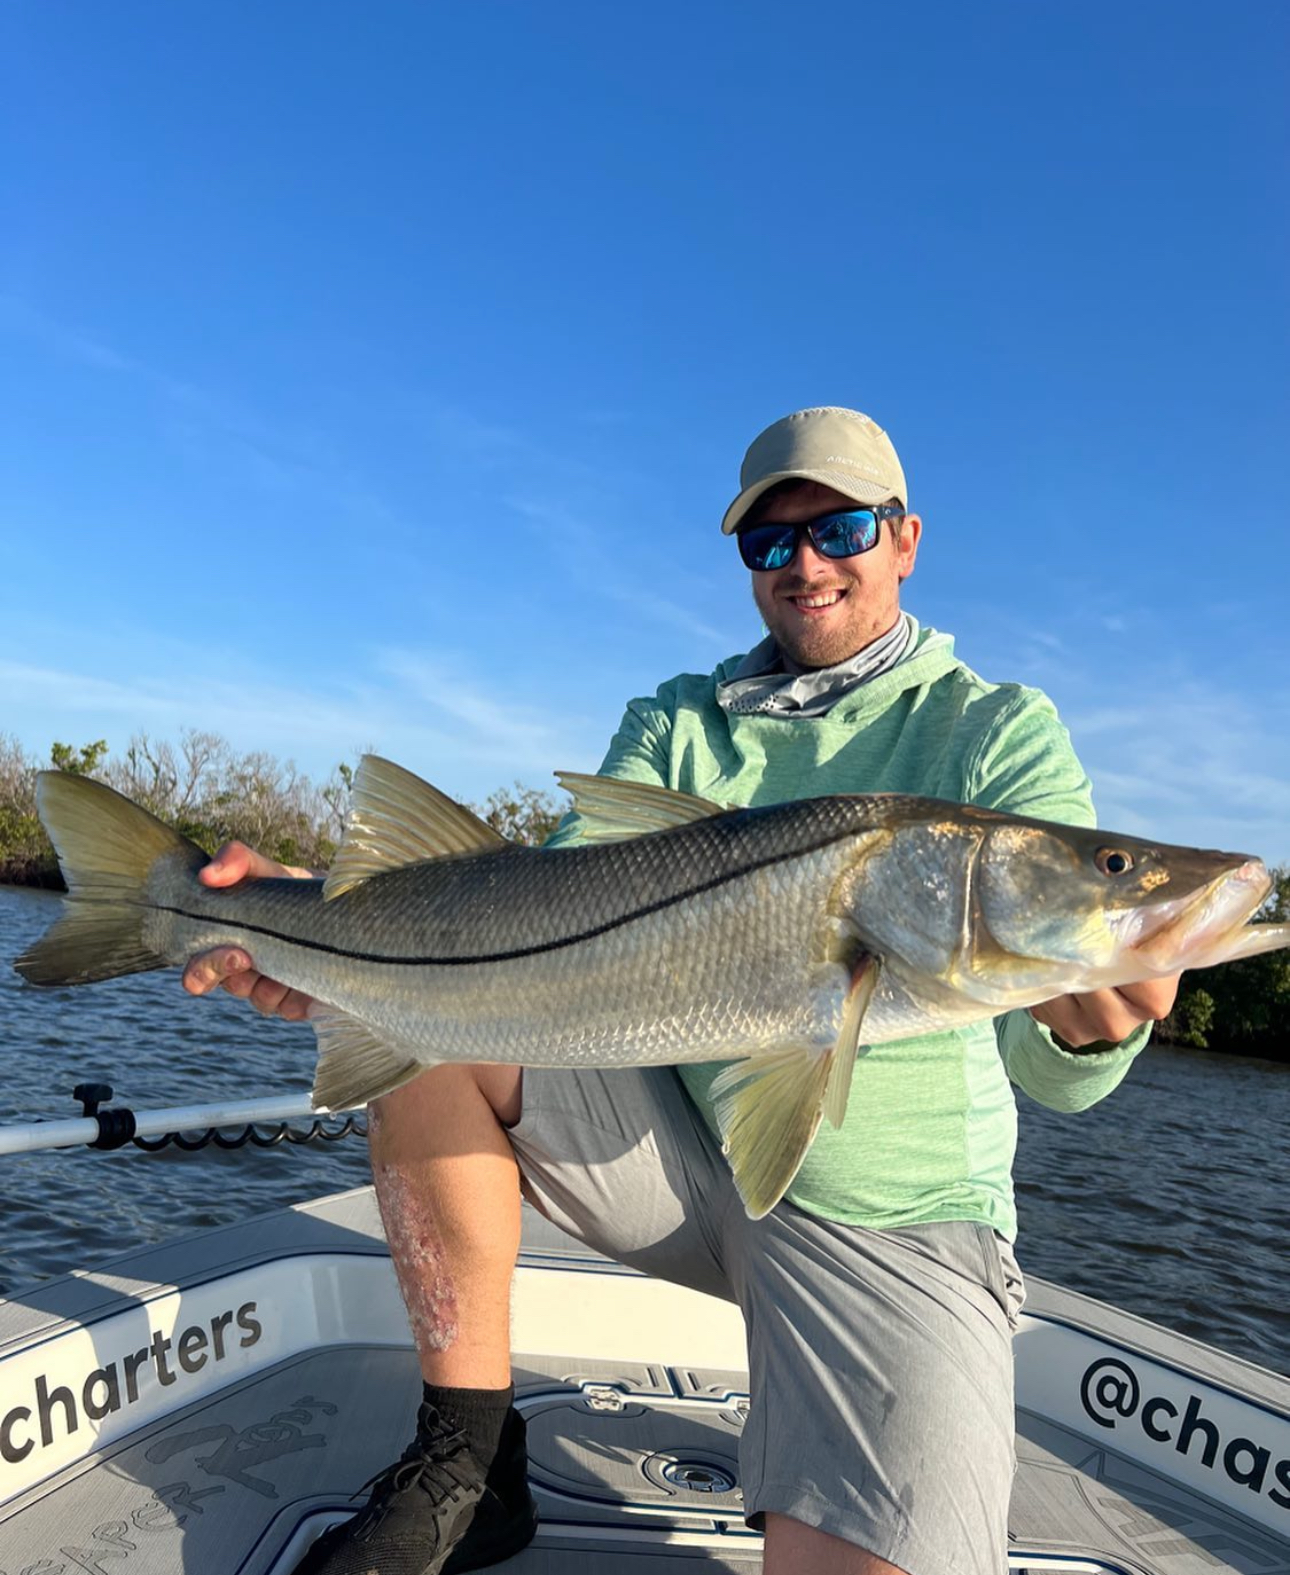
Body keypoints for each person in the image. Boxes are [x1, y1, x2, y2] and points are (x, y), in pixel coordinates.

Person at [184, 406, 1180, 1575]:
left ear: (905, 540)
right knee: (433, 1018)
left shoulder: (993, 734)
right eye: (772, 543)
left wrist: (1091, 1017)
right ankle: (466, 1461)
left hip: (897, 1224)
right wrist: (323, 921)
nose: (807, 563)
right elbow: (534, 896)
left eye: (842, 527)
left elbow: (1058, 1074)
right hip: (680, 1162)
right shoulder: (677, 718)